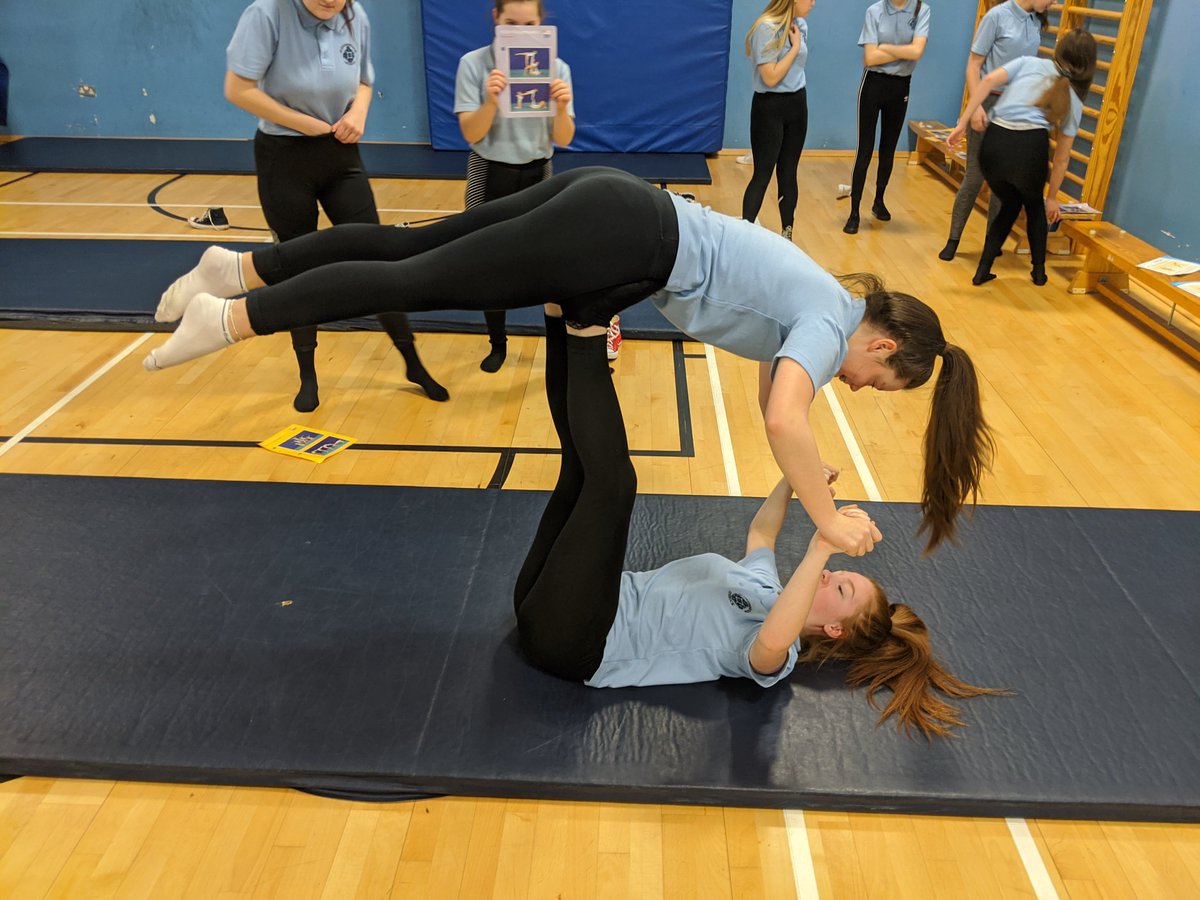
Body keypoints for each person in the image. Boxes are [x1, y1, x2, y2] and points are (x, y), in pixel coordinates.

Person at [145, 166, 995, 554]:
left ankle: (243, 266)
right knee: (420, 274)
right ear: (882, 345)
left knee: (422, 244)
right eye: (879, 382)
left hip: (617, 206)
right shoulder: (822, 319)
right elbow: (784, 418)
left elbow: (753, 366)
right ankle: (233, 318)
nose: (861, 387)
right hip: (620, 230)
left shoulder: (816, 305)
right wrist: (829, 517)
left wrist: (598, 304)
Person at [513, 317, 1003, 738]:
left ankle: (585, 331)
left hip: (580, 641)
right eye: (842, 576)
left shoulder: (779, 652)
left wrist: (821, 549)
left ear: (834, 628)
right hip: (558, 603)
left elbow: (769, 642)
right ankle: (561, 318)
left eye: (845, 588)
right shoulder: (764, 585)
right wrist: (795, 480)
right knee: (579, 472)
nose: (833, 578)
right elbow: (762, 535)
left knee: (613, 484)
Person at [221, 0, 446, 411]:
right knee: (298, 266)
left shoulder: (354, 14)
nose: (331, 0)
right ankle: (308, 374)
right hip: (284, 157)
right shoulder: (266, 14)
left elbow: (363, 81)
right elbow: (238, 88)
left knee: (379, 259)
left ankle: (412, 362)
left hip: (340, 153)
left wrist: (359, 112)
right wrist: (299, 122)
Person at [455, 0, 578, 372]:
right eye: (511, 22)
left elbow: (565, 138)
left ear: (541, 23)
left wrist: (560, 107)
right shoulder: (474, 64)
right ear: (496, 19)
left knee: (548, 260)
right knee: (487, 262)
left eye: (529, 23)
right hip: (489, 169)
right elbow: (471, 133)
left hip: (538, 171)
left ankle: (559, 342)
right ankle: (497, 342)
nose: (521, 31)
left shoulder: (556, 68)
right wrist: (491, 101)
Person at [948, 29, 1096, 286]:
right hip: (1029, 148)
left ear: (1060, 50)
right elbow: (1061, 158)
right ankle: (1039, 273)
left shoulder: (1030, 62)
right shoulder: (1074, 99)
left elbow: (985, 82)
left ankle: (983, 269)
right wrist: (1052, 199)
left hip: (993, 144)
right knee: (1035, 205)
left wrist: (962, 123)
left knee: (1010, 203)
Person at [938, 0, 1052, 262]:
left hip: (1016, 105)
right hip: (988, 100)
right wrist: (975, 106)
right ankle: (953, 240)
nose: (1054, 3)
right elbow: (974, 65)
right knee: (976, 176)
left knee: (1005, 181)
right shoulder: (996, 17)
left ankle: (992, 243)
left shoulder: (1036, 20)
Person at [844, 0, 931, 235]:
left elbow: (917, 51)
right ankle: (854, 211)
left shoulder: (921, 9)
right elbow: (870, 58)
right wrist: (903, 49)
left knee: (888, 148)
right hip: (873, 84)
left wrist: (887, 47)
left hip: (901, 86)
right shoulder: (875, 11)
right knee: (865, 149)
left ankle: (879, 200)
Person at [741, 0, 815, 242]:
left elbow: (797, 70)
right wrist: (794, 48)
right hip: (769, 108)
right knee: (763, 173)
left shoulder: (800, 25)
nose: (813, 2)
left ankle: (787, 234)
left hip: (797, 105)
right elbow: (770, 77)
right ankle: (743, 234)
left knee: (789, 173)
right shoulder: (766, 28)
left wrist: (797, 45)